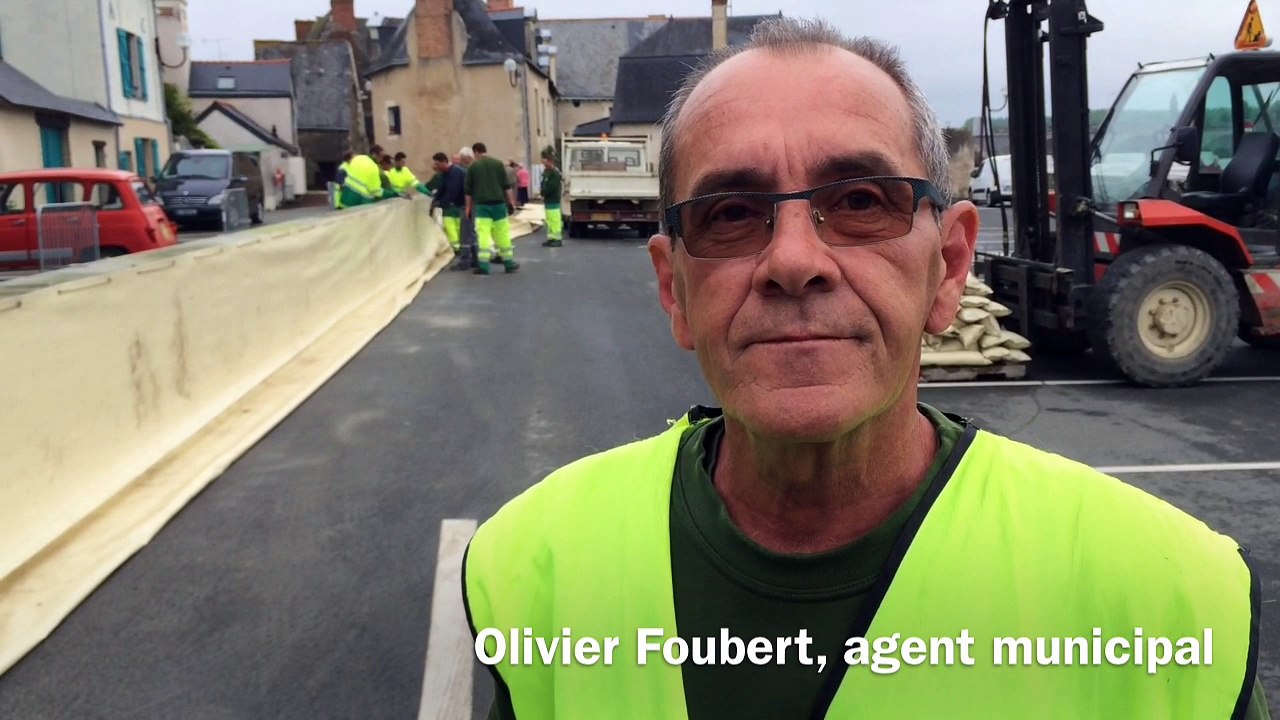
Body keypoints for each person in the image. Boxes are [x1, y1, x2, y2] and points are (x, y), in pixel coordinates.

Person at [462, 17, 1267, 719]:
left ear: (949, 267)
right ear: (674, 289)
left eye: (860, 203)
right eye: (732, 214)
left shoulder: (1168, 603)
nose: (793, 262)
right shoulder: (536, 566)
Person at [466, 143, 519, 274]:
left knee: (483, 234)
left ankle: (484, 266)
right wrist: (511, 203)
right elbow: (507, 186)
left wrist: (468, 208)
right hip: (499, 205)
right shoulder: (498, 164)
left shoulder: (473, 167)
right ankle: (509, 263)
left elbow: (468, 191)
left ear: (476, 152)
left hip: (483, 206)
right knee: (502, 234)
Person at [426, 151, 467, 262]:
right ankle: (461, 251)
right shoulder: (445, 173)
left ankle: (464, 253)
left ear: (444, 162)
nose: (436, 167)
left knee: (461, 229)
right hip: (455, 205)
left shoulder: (456, 173)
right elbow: (442, 189)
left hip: (463, 204)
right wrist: (435, 201)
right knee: (454, 228)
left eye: (438, 164)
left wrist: (441, 202)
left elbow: (453, 191)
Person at [539, 152, 563, 247]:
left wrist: (543, 192)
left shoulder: (554, 173)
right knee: (549, 220)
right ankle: (551, 238)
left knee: (554, 220)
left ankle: (557, 239)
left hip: (553, 199)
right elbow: (544, 183)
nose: (544, 165)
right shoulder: (546, 171)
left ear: (550, 161)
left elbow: (552, 187)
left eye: (545, 163)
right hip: (548, 200)